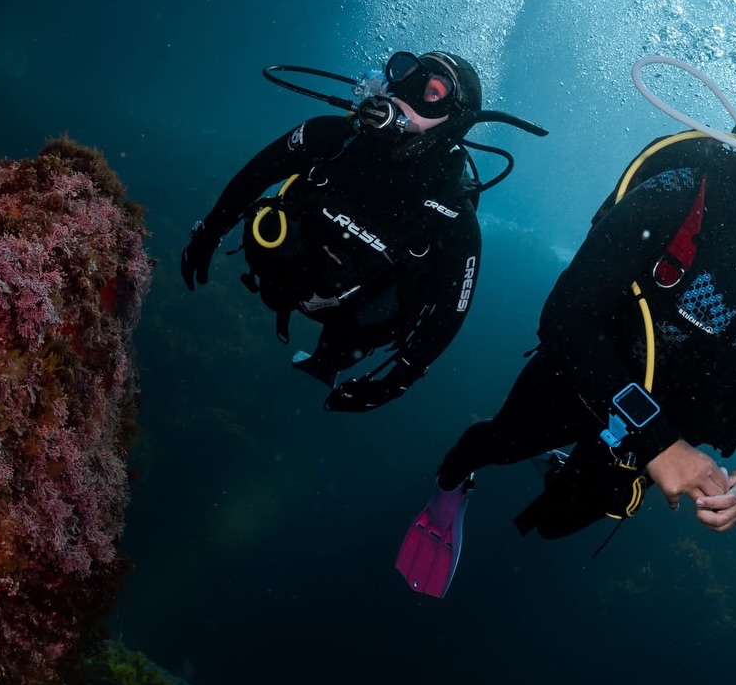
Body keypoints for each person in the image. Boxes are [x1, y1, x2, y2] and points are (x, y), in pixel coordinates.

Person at [395, 59, 736, 597]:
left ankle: (565, 466)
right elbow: (566, 315)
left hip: (676, 436)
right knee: (496, 441)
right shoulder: (682, 192)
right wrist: (657, 442)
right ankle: (448, 489)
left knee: (560, 523)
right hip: (585, 376)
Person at [180, 50, 545, 413]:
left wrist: (394, 381)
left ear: (456, 120)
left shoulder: (453, 213)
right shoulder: (332, 137)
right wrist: (209, 231)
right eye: (404, 74)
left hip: (353, 321)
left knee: (378, 316)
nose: (407, 91)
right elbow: (257, 175)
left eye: (433, 91)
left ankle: (324, 365)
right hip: (282, 275)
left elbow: (451, 312)